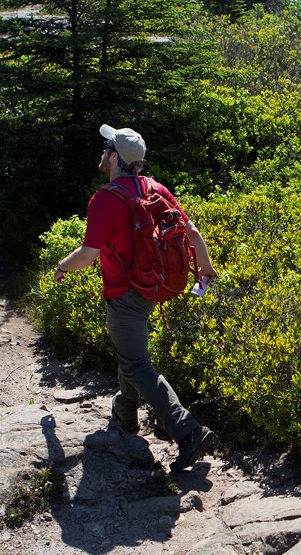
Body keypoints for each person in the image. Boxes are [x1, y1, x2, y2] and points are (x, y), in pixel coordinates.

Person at [54, 124, 218, 472]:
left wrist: (62, 266)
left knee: (136, 364)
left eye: (105, 147)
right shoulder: (155, 188)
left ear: (115, 157)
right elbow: (191, 232)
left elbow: (87, 254)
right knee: (129, 354)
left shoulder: (106, 198)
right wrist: (206, 268)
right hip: (153, 289)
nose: (101, 152)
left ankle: (187, 430)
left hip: (125, 292)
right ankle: (125, 416)